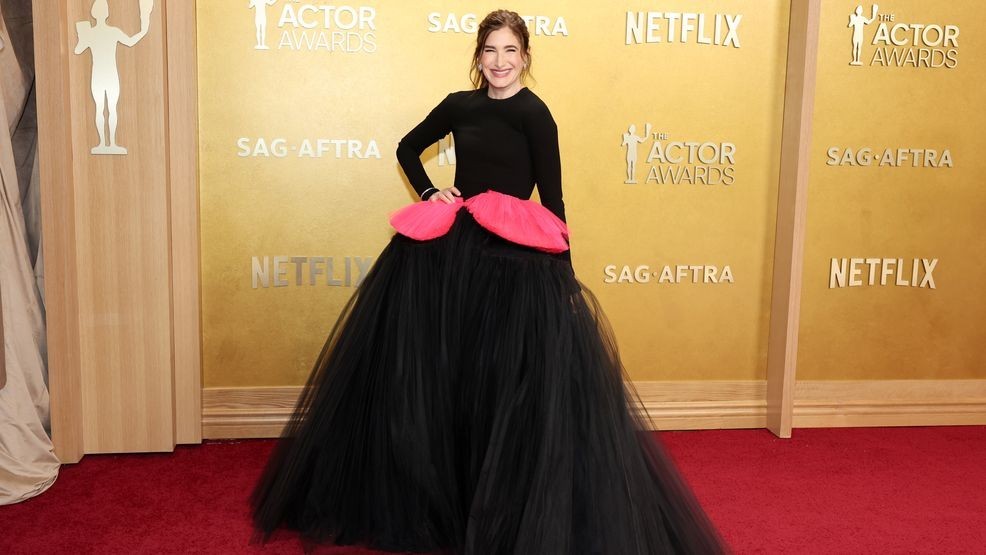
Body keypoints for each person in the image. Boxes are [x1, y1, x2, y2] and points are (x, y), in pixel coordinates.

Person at [250, 9, 728, 554]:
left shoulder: (535, 114)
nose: (500, 61)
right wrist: (430, 192)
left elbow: (552, 197)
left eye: (510, 51)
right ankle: (443, 495)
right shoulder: (460, 105)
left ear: (525, 57)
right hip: (455, 252)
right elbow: (407, 148)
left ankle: (496, 502)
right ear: (478, 57)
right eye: (490, 50)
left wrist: (565, 274)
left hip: (513, 261)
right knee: (445, 374)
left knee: (502, 381)